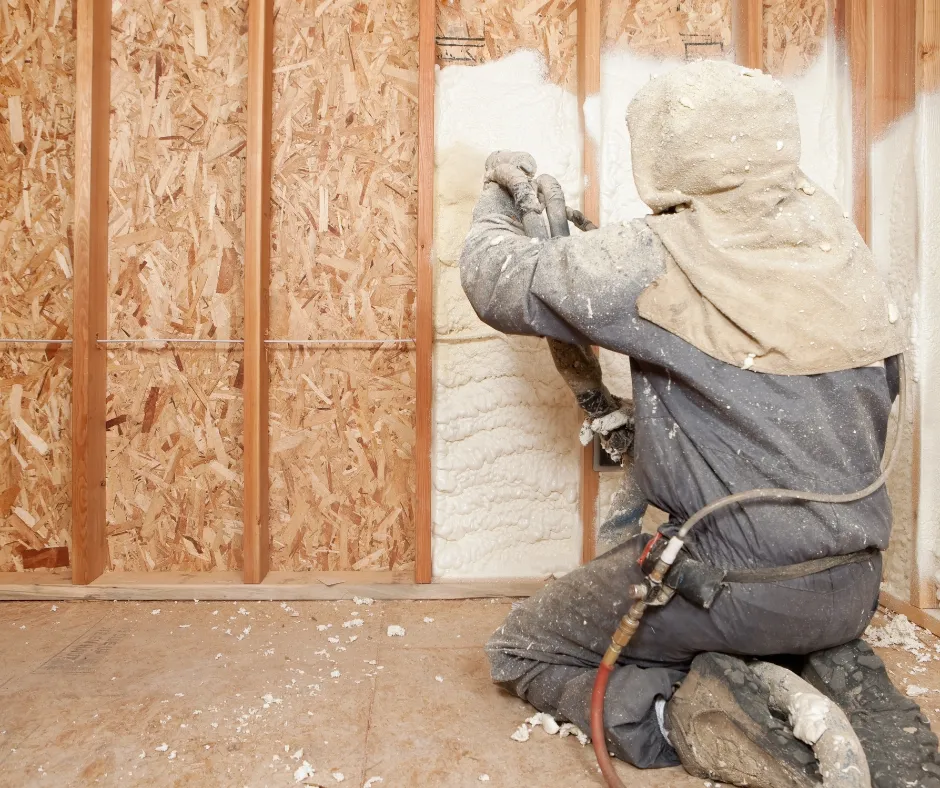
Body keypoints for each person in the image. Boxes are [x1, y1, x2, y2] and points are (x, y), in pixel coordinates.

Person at [459, 60, 936, 788]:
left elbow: (495, 280)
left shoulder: (658, 256)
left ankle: (683, 718)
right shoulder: (838, 246)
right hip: (851, 587)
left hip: (736, 589)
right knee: (721, 587)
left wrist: (497, 194)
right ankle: (812, 668)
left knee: (524, 650)